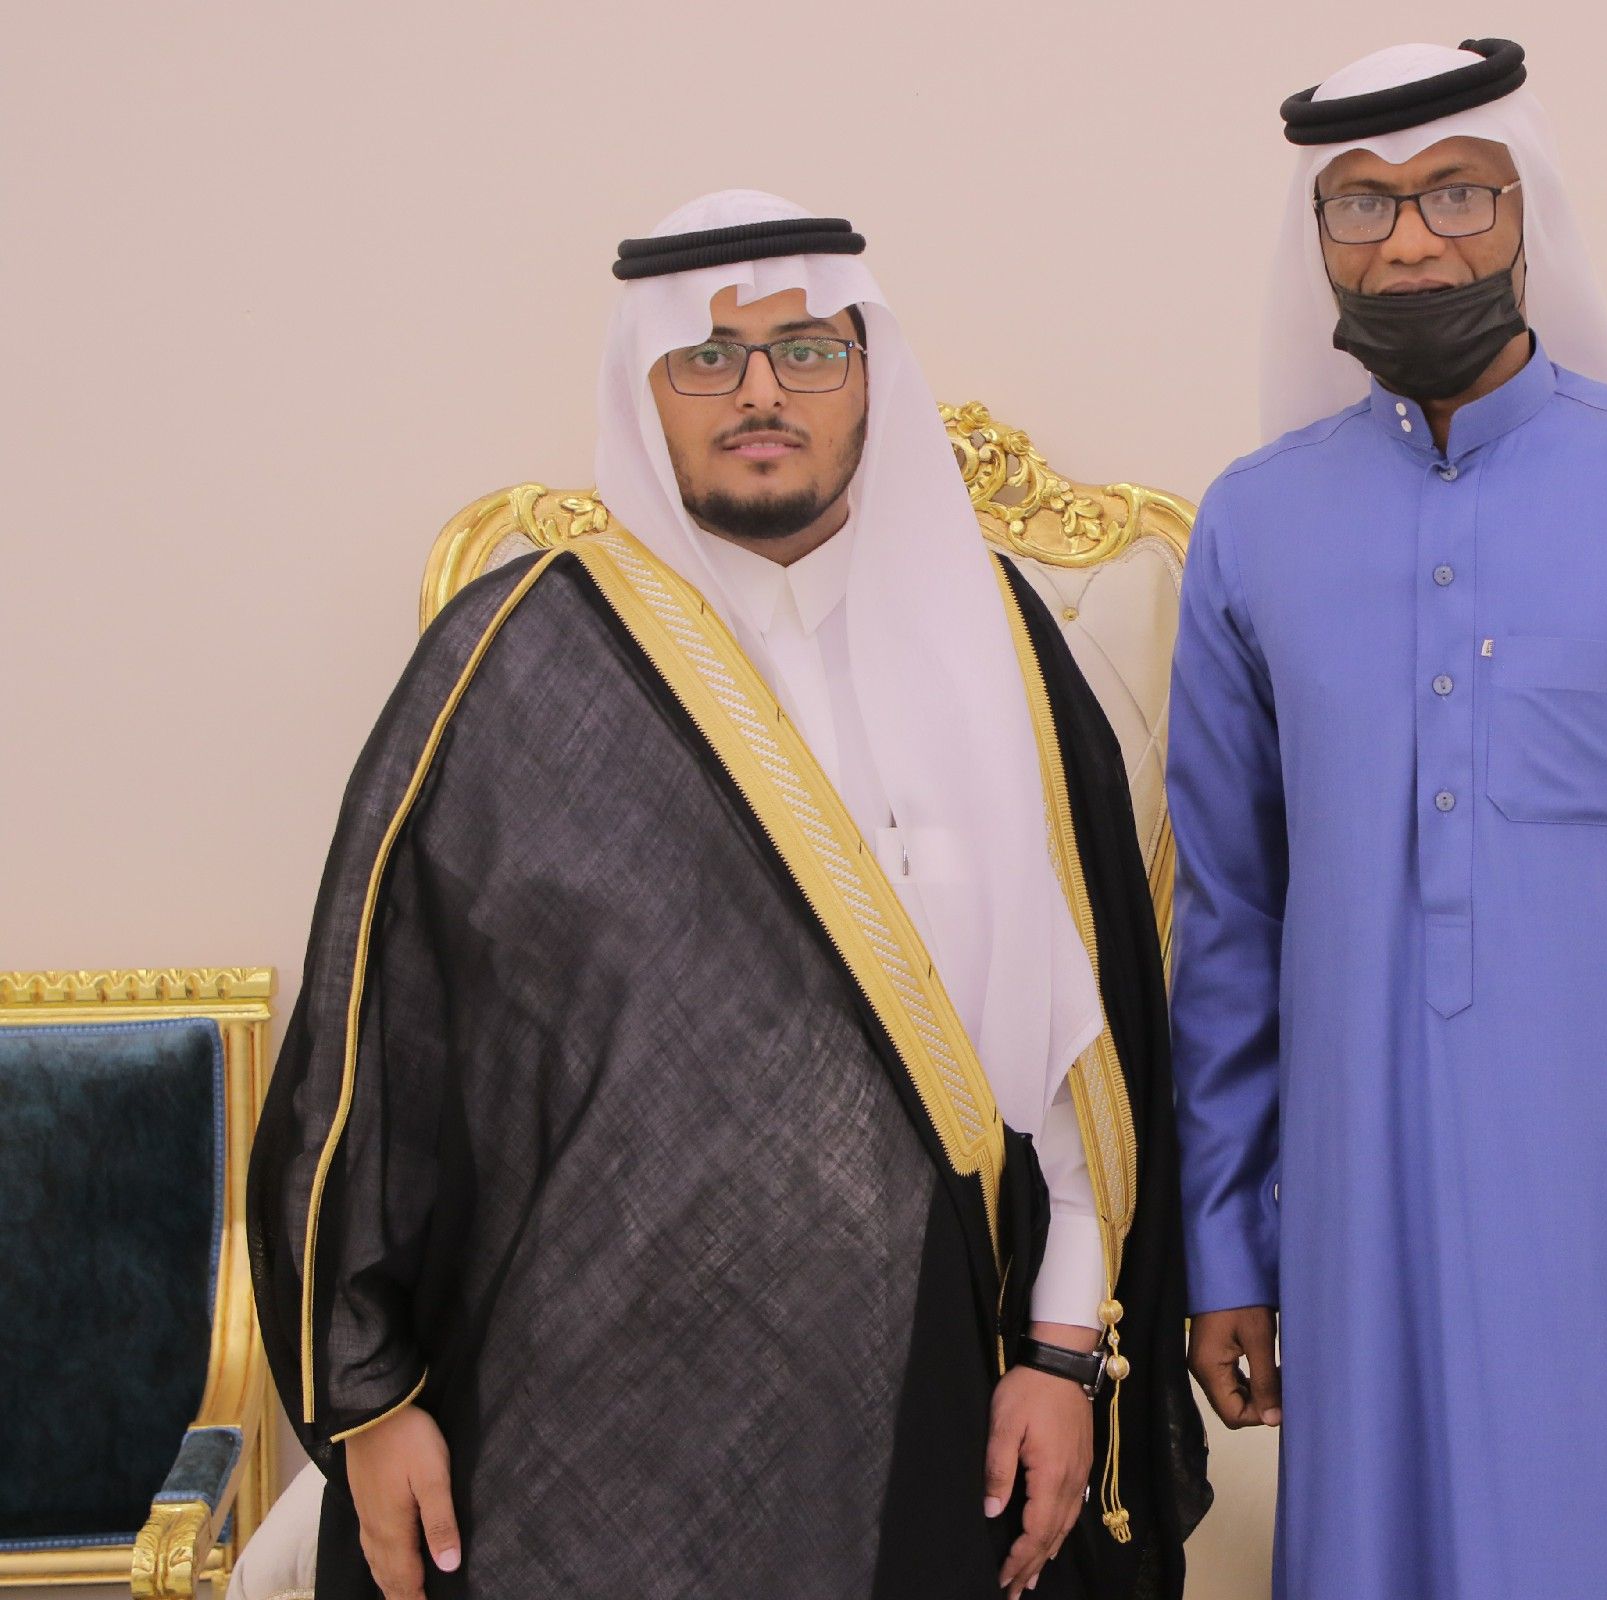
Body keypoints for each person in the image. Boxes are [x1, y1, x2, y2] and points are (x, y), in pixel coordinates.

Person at [247, 189, 1206, 1600]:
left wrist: (1064, 1355)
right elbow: (372, 1058)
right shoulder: (515, 668)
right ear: (645, 391)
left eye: (807, 349)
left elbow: (1083, 1053)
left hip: (942, 1396)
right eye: (708, 356)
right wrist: (372, 1399)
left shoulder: (1000, 649)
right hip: (580, 1411)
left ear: (869, 375)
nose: (761, 392)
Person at [1166, 39, 1607, 1600]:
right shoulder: (1253, 524)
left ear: (1527, 207)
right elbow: (1231, 921)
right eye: (1362, 205)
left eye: (1456, 194)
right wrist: (1226, 1244)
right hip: (1363, 1224)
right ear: (1319, 237)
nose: (1410, 242)